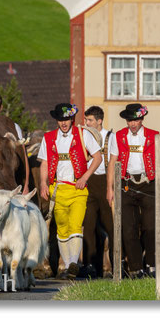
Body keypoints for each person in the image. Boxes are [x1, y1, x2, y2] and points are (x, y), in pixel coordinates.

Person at [38, 103, 102, 280]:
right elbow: (44, 162)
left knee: (75, 224)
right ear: (56, 120)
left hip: (78, 188)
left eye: (66, 119)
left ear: (72, 119)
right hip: (57, 189)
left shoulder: (83, 135)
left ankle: (73, 262)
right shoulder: (49, 137)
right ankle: (67, 267)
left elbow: (98, 157)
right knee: (62, 228)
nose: (63, 122)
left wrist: (85, 177)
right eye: (60, 119)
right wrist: (43, 184)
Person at [107, 103, 159, 278]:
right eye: (130, 120)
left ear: (141, 119)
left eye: (135, 120)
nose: (133, 124)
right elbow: (113, 162)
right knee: (128, 228)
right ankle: (136, 268)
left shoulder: (154, 136)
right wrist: (110, 188)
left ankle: (151, 264)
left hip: (148, 183)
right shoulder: (118, 136)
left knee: (150, 227)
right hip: (126, 183)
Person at [82, 106, 115, 278]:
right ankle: (90, 265)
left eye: (90, 120)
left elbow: (114, 161)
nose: (86, 123)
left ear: (99, 121)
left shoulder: (110, 137)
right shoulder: (83, 136)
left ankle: (116, 264)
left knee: (110, 225)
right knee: (88, 226)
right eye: (86, 120)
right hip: (88, 182)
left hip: (105, 181)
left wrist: (111, 187)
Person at [0, 91, 30, 194]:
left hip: (10, 182)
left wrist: (26, 185)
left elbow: (24, 156)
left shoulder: (13, 127)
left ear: (1, 108)